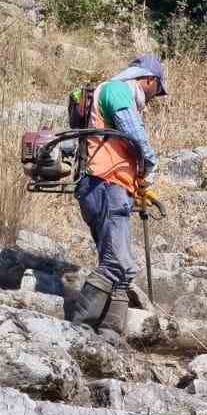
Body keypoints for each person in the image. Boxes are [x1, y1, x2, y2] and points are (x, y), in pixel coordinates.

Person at [68, 53, 167, 336]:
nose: (154, 97)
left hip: (109, 186)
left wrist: (136, 184)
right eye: (156, 90)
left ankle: (111, 335)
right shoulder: (117, 89)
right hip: (105, 184)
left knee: (123, 271)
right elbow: (133, 134)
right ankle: (79, 331)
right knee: (117, 263)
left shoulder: (114, 93)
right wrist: (150, 163)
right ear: (148, 79)